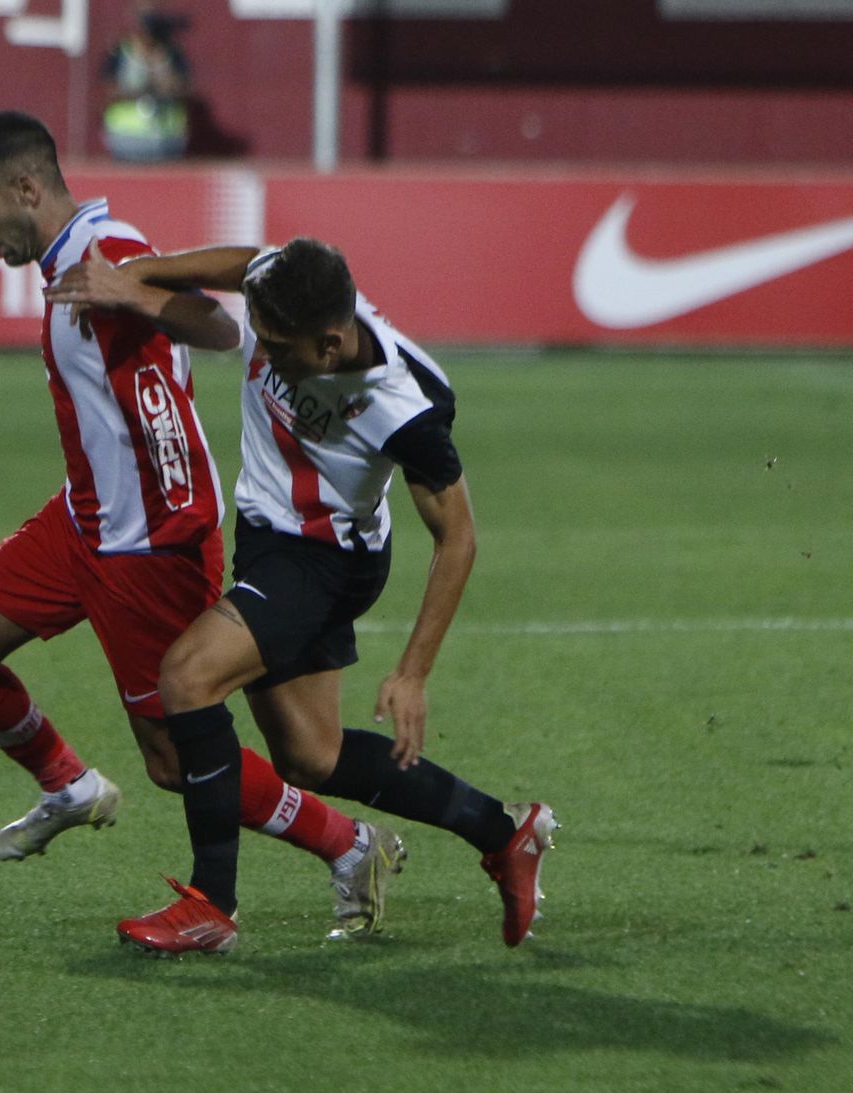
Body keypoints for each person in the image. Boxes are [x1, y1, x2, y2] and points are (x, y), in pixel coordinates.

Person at [0, 112, 408, 940]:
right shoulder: (70, 259)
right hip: (80, 519)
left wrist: (130, 291)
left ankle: (351, 843)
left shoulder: (110, 253)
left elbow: (219, 326)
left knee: (177, 759)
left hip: (146, 541)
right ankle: (66, 785)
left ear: (26, 188)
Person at [46, 239, 558, 954]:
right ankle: (505, 832)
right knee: (311, 758)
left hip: (322, 562)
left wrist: (412, 671)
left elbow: (459, 536)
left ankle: (210, 905)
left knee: (187, 677)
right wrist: (137, 277)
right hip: (267, 535)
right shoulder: (288, 289)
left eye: (279, 348)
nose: (264, 357)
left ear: (330, 342)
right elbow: (247, 261)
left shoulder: (402, 405)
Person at [101, 6, 192, 162]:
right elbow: (107, 90)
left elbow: (185, 87)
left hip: (168, 139)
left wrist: (166, 84)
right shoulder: (121, 52)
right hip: (126, 138)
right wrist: (139, 89)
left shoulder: (172, 54)